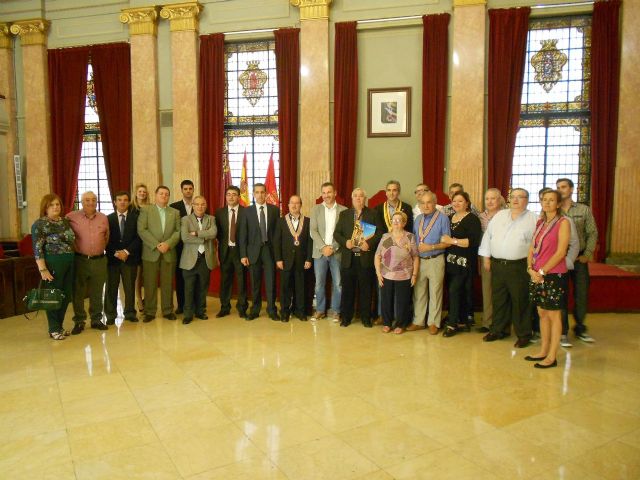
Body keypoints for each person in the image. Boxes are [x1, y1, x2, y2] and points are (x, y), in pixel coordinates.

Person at [479, 188, 538, 347]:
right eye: (513, 197)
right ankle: (498, 330)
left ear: (527, 200)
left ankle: (524, 334)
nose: (516, 200)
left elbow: (537, 245)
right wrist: (486, 257)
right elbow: (488, 237)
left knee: (520, 301)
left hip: (519, 266)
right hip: (498, 265)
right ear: (509, 199)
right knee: (499, 299)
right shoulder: (500, 216)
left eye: (520, 197)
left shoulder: (534, 219)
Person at [526, 190, 570, 368]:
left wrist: (543, 271)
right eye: (544, 199)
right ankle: (543, 350)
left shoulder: (563, 222)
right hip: (537, 274)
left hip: (553, 274)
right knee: (542, 313)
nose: (547, 202)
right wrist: (530, 269)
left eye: (551, 200)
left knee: (553, 314)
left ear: (558, 204)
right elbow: (532, 247)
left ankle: (552, 356)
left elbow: (561, 252)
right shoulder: (540, 222)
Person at [333, 188, 383, 328]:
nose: (358, 198)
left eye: (361, 196)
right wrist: (345, 242)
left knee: (366, 290)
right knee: (347, 290)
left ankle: (366, 318)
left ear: (365, 198)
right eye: (355, 196)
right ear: (352, 198)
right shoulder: (344, 214)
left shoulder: (373, 214)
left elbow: (380, 233)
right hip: (349, 258)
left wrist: (369, 244)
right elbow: (336, 234)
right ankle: (346, 318)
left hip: (365, 257)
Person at [556, 178, 598, 344]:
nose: (560, 190)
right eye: (558, 187)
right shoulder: (554, 210)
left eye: (563, 187)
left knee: (581, 293)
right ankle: (562, 332)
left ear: (572, 189)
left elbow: (592, 233)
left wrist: (587, 253)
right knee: (561, 294)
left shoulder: (583, 209)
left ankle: (580, 327)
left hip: (579, 258)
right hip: (560, 258)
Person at [31, 194, 76, 340]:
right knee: (53, 296)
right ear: (45, 208)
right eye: (51, 205)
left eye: (57, 204)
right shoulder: (39, 224)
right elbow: (37, 249)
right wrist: (43, 269)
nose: (55, 207)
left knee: (66, 295)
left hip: (69, 261)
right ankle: (53, 328)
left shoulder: (65, 222)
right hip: (52, 263)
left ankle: (59, 326)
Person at [407, 191, 450, 334]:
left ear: (435, 203)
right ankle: (418, 321)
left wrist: (430, 247)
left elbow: (447, 243)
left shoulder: (443, 218)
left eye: (429, 202)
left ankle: (433, 322)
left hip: (435, 259)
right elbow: (414, 239)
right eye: (423, 203)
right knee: (419, 292)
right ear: (419, 205)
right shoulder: (418, 219)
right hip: (419, 261)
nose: (426, 206)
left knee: (435, 292)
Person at [440, 191, 482, 337]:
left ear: (467, 203)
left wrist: (452, 241)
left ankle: (452, 324)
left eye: (460, 201)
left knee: (455, 290)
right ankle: (462, 321)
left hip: (464, 262)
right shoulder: (450, 217)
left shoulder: (472, 219)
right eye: (454, 201)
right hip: (450, 261)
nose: (457, 204)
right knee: (456, 291)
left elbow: (472, 241)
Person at [66, 191, 109, 334]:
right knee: (78, 292)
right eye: (87, 200)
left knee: (97, 292)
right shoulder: (71, 217)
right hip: (80, 260)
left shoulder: (103, 218)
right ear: (82, 202)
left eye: (93, 200)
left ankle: (96, 319)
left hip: (99, 260)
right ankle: (79, 321)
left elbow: (106, 237)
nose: (91, 202)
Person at [137, 186, 181, 322]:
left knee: (168, 284)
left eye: (166, 194)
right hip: (151, 252)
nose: (164, 196)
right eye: (161, 193)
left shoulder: (175, 212)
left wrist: (168, 244)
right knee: (149, 283)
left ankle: (168, 310)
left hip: (169, 252)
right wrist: (157, 245)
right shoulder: (146, 210)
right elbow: (142, 229)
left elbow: (178, 231)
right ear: (155, 195)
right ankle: (150, 311)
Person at [238, 183, 280, 321]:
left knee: (271, 282)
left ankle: (272, 310)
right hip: (253, 252)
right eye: (257, 192)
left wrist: (278, 255)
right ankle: (255, 310)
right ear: (253, 194)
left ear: (266, 193)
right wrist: (243, 255)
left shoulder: (274, 210)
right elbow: (243, 234)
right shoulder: (247, 211)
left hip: (269, 251)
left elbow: (277, 234)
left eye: (262, 192)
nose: (260, 195)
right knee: (255, 283)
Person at [374, 211, 419, 334]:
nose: (396, 222)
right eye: (394, 220)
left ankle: (401, 324)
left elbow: (415, 257)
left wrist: (414, 274)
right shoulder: (386, 237)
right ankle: (387, 323)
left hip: (404, 275)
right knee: (386, 300)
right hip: (386, 274)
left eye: (399, 220)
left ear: (404, 223)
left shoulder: (409, 237)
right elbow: (377, 255)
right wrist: (378, 273)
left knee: (402, 301)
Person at [309, 182, 347, 322]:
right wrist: (323, 247)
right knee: (319, 283)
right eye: (324, 193)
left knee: (338, 284)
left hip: (337, 252)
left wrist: (333, 247)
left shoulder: (344, 210)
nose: (326, 195)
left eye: (329, 192)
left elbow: (345, 233)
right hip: (320, 253)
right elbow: (313, 231)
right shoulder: (315, 209)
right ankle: (320, 310)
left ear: (335, 193)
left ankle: (336, 311)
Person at [274, 195, 313, 322]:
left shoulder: (307, 221)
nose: (294, 205)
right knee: (285, 288)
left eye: (297, 203)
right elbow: (277, 241)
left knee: (300, 287)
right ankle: (284, 312)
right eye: (292, 203)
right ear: (288, 205)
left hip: (302, 260)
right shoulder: (281, 221)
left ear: (301, 205)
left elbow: (310, 242)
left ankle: (300, 311)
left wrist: (309, 259)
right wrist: (278, 259)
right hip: (285, 261)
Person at [180, 195, 218, 324]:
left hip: (205, 259)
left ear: (205, 206)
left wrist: (196, 233)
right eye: (197, 204)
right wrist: (204, 238)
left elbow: (213, 233)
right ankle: (188, 314)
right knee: (189, 288)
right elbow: (185, 237)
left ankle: (200, 311)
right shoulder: (185, 219)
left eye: (203, 204)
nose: (200, 207)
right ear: (193, 206)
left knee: (202, 288)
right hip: (189, 260)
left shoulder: (211, 219)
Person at [104, 191, 141, 325]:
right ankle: (110, 315)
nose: (122, 202)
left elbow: (139, 237)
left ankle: (130, 313)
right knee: (111, 288)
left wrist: (126, 252)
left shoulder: (135, 218)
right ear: (115, 202)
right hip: (112, 260)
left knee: (129, 288)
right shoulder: (108, 219)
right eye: (119, 200)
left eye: (125, 200)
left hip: (130, 259)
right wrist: (116, 253)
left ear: (129, 202)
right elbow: (105, 239)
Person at [214, 186, 248, 319]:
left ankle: (242, 307)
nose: (231, 197)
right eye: (228, 194)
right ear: (226, 196)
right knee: (225, 281)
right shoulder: (219, 212)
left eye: (234, 194)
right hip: (225, 251)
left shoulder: (246, 212)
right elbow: (217, 233)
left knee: (242, 281)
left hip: (241, 252)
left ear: (239, 197)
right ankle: (225, 307)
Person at [477, 188, 505, 333]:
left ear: (500, 199)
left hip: (503, 258)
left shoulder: (507, 215)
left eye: (493, 198)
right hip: (485, 257)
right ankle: (487, 322)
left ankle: (502, 323)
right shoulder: (480, 217)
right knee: (487, 290)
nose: (490, 201)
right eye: (487, 199)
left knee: (502, 292)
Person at [170, 179, 195, 315]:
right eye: (185, 189)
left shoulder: (199, 205)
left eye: (190, 189)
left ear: (193, 190)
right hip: (180, 247)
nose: (188, 191)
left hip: (195, 247)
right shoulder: (174, 207)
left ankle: (194, 305)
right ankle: (181, 305)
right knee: (180, 277)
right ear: (181, 190)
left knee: (194, 277)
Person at [131, 183, 149, 313]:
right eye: (140, 191)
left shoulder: (151, 208)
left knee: (148, 275)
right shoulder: (131, 208)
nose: (142, 193)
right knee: (138, 276)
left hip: (148, 244)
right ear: (136, 193)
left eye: (144, 192)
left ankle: (147, 299)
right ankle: (139, 299)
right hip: (136, 245)